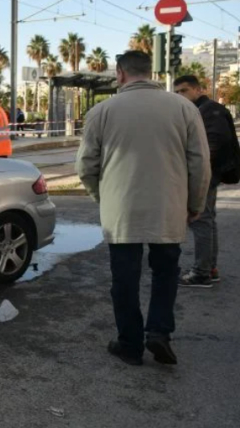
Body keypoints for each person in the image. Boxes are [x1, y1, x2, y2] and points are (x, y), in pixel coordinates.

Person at [76, 51, 210, 366]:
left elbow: (85, 166)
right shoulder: (184, 108)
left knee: (124, 279)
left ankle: (130, 344)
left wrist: (101, 197)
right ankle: (159, 333)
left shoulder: (102, 111)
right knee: (166, 273)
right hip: (169, 208)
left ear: (120, 74)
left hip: (122, 211)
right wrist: (195, 203)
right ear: (150, 72)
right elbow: (200, 163)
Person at [175, 75, 236, 287]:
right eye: (177, 92)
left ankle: (202, 272)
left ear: (198, 89)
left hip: (207, 173)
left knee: (200, 220)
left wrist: (197, 171)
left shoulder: (209, 111)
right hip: (209, 172)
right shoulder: (201, 110)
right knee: (207, 220)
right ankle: (209, 268)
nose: (180, 96)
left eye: (184, 91)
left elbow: (212, 144)